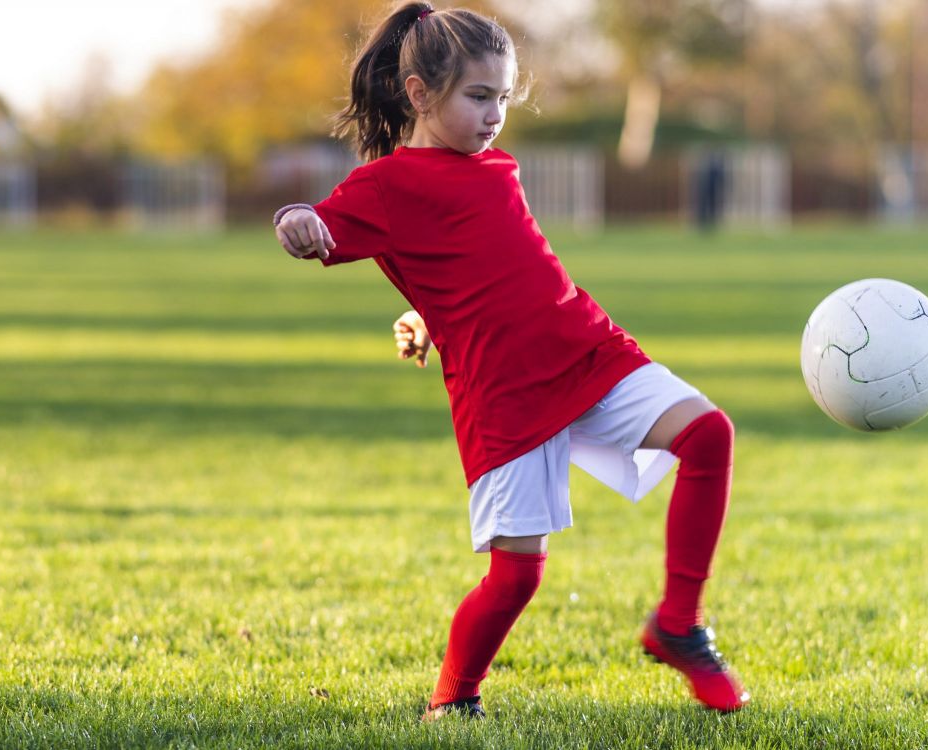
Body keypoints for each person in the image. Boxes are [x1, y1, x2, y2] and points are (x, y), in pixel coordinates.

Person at [273, 2, 749, 719]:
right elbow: (316, 226)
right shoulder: (385, 186)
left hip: (584, 349)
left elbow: (483, 265)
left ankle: (679, 623)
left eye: (503, 97)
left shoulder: (497, 165)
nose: (495, 114)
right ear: (419, 95)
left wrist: (426, 313)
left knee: (708, 432)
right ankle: (453, 700)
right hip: (503, 396)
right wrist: (294, 221)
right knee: (517, 576)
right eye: (478, 97)